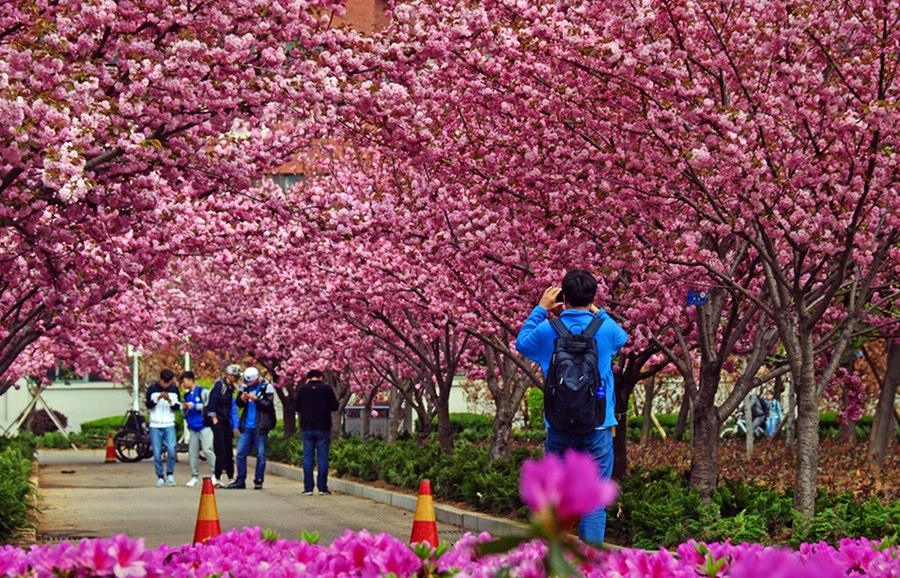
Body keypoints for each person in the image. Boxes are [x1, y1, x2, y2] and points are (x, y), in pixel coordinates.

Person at [516, 269, 628, 546]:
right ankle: (588, 566)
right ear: (592, 298)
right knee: (593, 501)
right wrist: (596, 310)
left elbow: (521, 343)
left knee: (555, 499)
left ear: (562, 297)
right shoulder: (606, 330)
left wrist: (541, 309)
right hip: (598, 426)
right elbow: (623, 338)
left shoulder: (546, 331)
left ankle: (554, 565)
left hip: (559, 425)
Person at [227, 366, 276, 490]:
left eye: (251, 382)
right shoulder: (245, 386)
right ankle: (240, 480)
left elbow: (269, 405)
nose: (249, 384)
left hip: (260, 425)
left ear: (257, 378)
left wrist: (257, 399)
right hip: (246, 425)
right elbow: (238, 403)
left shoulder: (267, 387)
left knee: (261, 454)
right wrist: (242, 399)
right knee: (240, 454)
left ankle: (259, 479)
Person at [294, 369, 339, 496]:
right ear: (321, 377)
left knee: (308, 458)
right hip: (323, 427)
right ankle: (322, 488)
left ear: (308, 378)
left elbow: (296, 407)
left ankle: (308, 488)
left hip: (307, 427)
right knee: (322, 458)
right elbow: (335, 406)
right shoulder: (327, 389)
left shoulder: (302, 389)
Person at [180, 371, 216, 487]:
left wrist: (194, 406)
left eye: (184, 381)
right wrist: (185, 408)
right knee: (193, 453)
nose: (183, 384)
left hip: (204, 426)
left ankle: (216, 473)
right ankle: (194, 476)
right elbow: (184, 414)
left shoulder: (202, 392)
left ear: (191, 380)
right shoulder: (186, 395)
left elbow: (208, 406)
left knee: (207, 450)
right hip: (193, 427)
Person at [208, 364, 242, 487]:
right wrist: (214, 418)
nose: (237, 379)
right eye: (235, 376)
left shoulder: (231, 389)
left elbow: (232, 408)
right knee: (220, 451)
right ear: (228, 375)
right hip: (218, 421)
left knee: (229, 451)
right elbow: (212, 402)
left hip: (226, 422)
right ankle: (217, 477)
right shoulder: (220, 386)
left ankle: (231, 477)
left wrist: (234, 425)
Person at [146, 368, 181, 487]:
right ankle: (160, 476)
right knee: (157, 453)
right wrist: (158, 398)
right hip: (155, 424)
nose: (166, 385)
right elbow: (148, 405)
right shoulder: (152, 389)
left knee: (171, 450)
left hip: (169, 423)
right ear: (160, 379)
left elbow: (177, 406)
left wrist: (170, 400)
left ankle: (170, 473)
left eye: (168, 382)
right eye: (164, 382)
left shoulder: (174, 389)